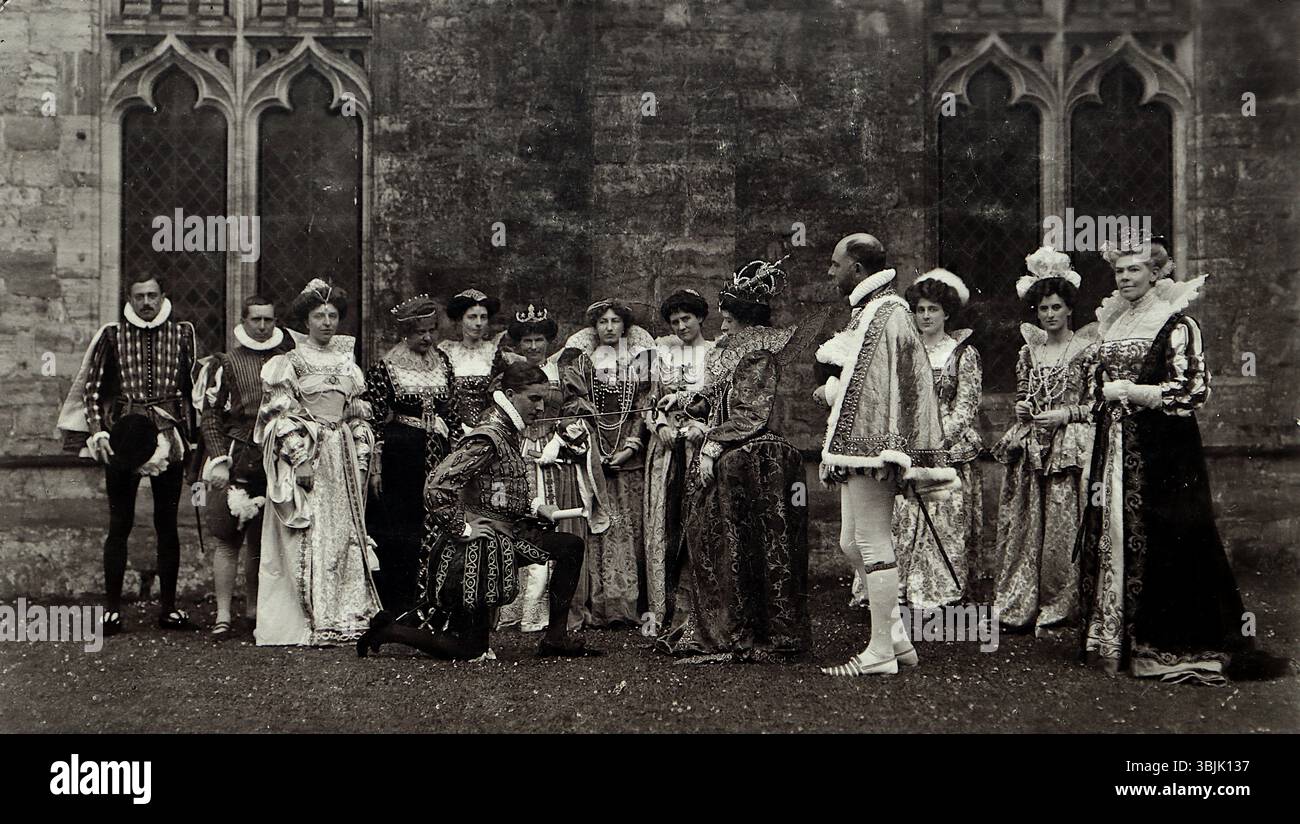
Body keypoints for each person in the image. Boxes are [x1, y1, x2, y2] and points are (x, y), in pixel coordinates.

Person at [1074, 245, 1251, 685]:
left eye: (1135, 269)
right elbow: (1098, 385)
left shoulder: (1176, 323)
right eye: (1119, 270)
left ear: (1156, 274)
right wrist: (1104, 392)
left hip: (1164, 450)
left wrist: (1132, 392)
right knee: (1114, 528)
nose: (1125, 277)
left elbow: (1192, 390)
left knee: (1167, 533)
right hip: (1115, 445)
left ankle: (1162, 641)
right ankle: (1116, 639)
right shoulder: (1113, 322)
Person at [356, 362, 602, 660]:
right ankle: (389, 631)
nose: (541, 407)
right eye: (534, 399)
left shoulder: (507, 430)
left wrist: (537, 507)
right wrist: (464, 529)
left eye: (543, 399)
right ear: (510, 395)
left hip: (505, 538)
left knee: (569, 547)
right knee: (469, 648)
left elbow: (498, 486)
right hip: (477, 550)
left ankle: (556, 639)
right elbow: (436, 487)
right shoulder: (488, 436)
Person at [653, 258, 814, 662]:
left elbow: (749, 415)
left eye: (727, 320)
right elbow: (716, 397)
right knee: (710, 538)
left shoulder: (758, 355)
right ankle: (717, 622)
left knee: (747, 544)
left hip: (755, 458)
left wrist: (709, 447)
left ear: (746, 321)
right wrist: (686, 400)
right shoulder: (733, 352)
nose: (721, 328)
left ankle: (748, 628)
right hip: (732, 454)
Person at [814, 234, 957, 677]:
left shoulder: (885, 311)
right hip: (860, 445)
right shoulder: (873, 310)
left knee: (874, 542)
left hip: (873, 448)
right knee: (849, 542)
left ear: (856, 268)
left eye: (836, 264)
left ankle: (880, 652)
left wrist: (833, 390)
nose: (830, 271)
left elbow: (878, 388)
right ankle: (895, 635)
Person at [57, 273, 199, 635]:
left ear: (163, 295)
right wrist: (99, 430)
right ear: (130, 299)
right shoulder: (112, 336)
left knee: (166, 525)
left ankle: (168, 609)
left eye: (153, 295)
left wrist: (193, 440)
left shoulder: (182, 334)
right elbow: (91, 389)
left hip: (168, 437)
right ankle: (112, 611)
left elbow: (191, 389)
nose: (147, 302)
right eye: (140, 297)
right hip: (125, 436)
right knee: (119, 524)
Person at [254, 279, 382, 646]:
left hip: (342, 456)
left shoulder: (347, 363)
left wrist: (361, 458)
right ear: (305, 320)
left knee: (345, 534)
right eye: (318, 315)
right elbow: (280, 418)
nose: (327, 322)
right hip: (311, 455)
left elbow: (357, 415)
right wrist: (299, 460)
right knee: (313, 533)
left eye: (332, 315)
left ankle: (348, 616)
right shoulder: (289, 362)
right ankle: (313, 619)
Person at [991, 247, 1095, 633]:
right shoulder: (1028, 351)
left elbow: (1096, 403)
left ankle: (1061, 603)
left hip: (1068, 447)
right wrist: (1023, 409)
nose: (1049, 315)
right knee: (1026, 525)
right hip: (1031, 445)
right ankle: (1023, 601)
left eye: (1056, 307)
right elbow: (1025, 394)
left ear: (1069, 308)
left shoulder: (1086, 350)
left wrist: (1067, 414)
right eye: (1043, 309)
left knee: (1062, 526)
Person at [496, 304, 609, 634]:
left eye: (539, 340)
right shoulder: (508, 373)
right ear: (519, 344)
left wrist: (558, 440)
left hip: (557, 460)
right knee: (522, 521)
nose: (533, 347)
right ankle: (521, 609)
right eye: (527, 341)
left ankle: (561, 612)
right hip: (521, 455)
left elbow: (580, 415)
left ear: (548, 341)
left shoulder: (565, 369)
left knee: (561, 528)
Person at [194, 295, 293, 636]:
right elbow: (210, 418)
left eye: (269, 320)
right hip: (236, 455)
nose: (263, 327)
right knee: (227, 537)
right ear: (244, 321)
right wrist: (219, 460)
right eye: (256, 320)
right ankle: (222, 614)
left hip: (275, 456)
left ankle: (254, 611)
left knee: (261, 540)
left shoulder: (287, 361)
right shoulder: (226, 363)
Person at [558, 301, 655, 628]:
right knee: (600, 525)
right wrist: (593, 451)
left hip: (630, 458)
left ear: (625, 327)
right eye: (603, 322)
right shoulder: (584, 363)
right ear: (594, 327)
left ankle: (627, 602)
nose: (609, 327)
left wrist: (630, 447)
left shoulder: (638, 362)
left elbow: (643, 408)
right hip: (593, 456)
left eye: (615, 321)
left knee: (628, 527)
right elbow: (576, 408)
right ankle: (599, 604)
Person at [891, 268, 984, 609]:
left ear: (947, 312)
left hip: (948, 449)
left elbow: (966, 408)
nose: (926, 315)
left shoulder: (962, 354)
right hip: (911, 447)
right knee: (904, 519)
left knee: (944, 519)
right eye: (920, 309)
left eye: (933, 309)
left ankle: (941, 591)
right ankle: (900, 588)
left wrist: (937, 443)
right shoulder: (906, 352)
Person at [363, 295, 460, 615]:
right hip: (402, 454)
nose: (428, 338)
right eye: (420, 331)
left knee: (442, 517)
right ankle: (402, 602)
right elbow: (375, 418)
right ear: (406, 331)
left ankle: (440, 596)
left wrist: (459, 453)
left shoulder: (443, 361)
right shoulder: (386, 366)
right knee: (404, 525)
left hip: (439, 449)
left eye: (432, 330)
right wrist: (376, 466)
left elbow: (453, 411)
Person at [644, 289, 715, 628]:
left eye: (687, 319)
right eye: (675, 321)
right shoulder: (663, 355)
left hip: (699, 448)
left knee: (697, 523)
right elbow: (649, 405)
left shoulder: (716, 355)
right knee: (665, 525)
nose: (681, 326)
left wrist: (703, 426)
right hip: (665, 452)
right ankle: (664, 611)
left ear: (700, 318)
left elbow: (723, 405)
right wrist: (659, 427)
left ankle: (700, 614)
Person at [438, 288, 509, 431]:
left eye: (483, 317)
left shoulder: (494, 352)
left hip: (489, 428)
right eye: (472, 317)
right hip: (453, 429)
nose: (479, 323)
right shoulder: (446, 351)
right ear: (460, 320)